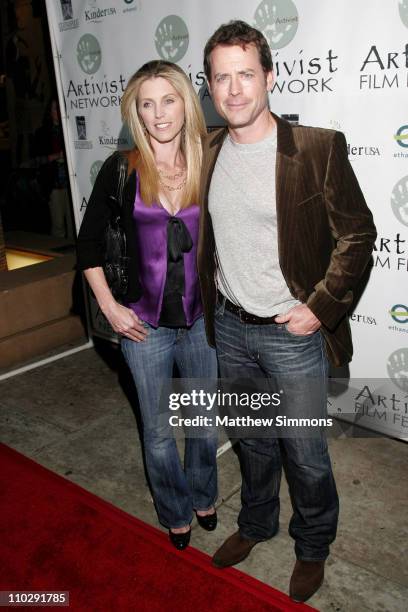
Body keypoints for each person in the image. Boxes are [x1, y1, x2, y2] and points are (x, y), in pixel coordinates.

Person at [198, 21, 376, 602]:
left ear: (269, 77)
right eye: (221, 78)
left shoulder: (317, 147)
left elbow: (357, 236)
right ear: (210, 85)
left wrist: (318, 310)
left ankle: (313, 543)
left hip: (290, 334)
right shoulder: (209, 149)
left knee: (306, 453)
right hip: (229, 325)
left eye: (245, 74)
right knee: (252, 441)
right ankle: (255, 525)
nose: (234, 90)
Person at [76, 60, 218, 550]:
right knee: (158, 431)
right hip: (145, 325)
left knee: (203, 421)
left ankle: (203, 494)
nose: (159, 114)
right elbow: (89, 244)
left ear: (186, 103)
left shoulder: (209, 158)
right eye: (147, 103)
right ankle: (174, 509)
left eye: (169, 100)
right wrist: (110, 309)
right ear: (135, 111)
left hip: (202, 321)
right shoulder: (123, 168)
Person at [34, 98, 74, 240]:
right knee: (58, 225)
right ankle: (58, 259)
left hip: (72, 186)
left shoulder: (70, 130)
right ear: (49, 112)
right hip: (54, 184)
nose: (57, 112)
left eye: (59, 108)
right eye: (54, 109)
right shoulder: (42, 133)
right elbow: (36, 160)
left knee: (73, 225)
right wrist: (55, 156)